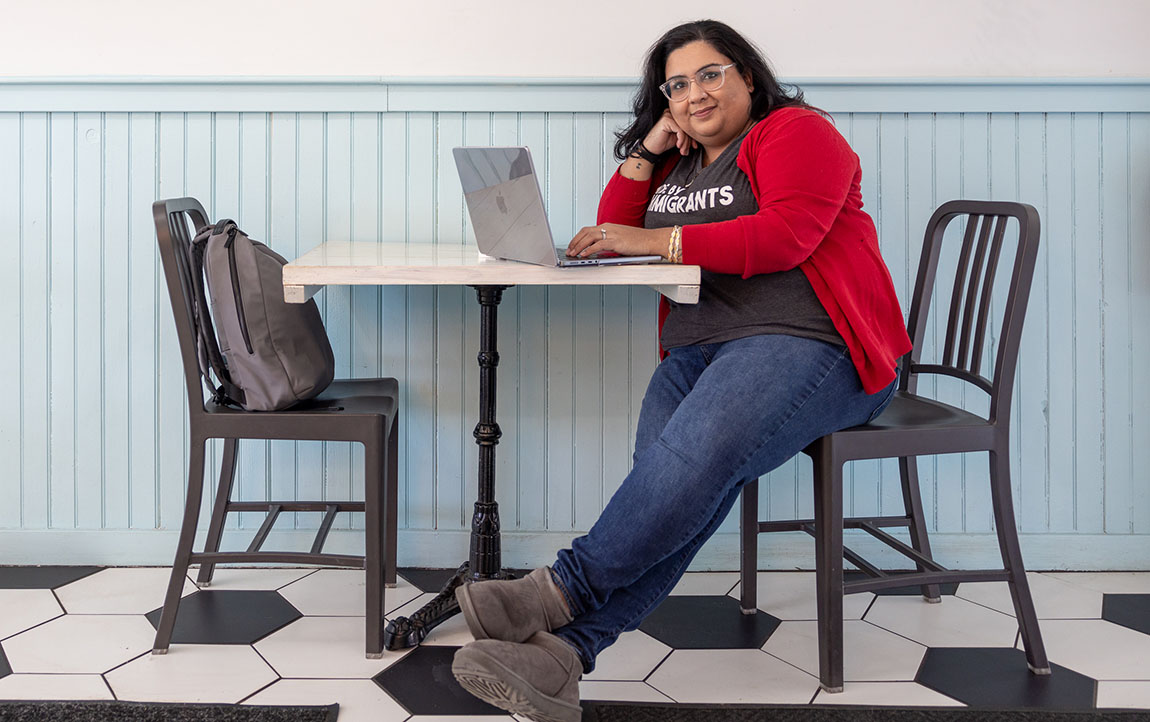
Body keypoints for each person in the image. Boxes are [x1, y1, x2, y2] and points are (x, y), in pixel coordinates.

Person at [450, 19, 912, 722]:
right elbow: (612, 234)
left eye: (710, 74)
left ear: (748, 77)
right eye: (676, 85)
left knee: (688, 468)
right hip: (700, 352)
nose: (694, 93)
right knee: (672, 489)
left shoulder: (794, 133)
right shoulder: (683, 163)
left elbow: (786, 236)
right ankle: (561, 659)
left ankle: (556, 591)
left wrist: (655, 237)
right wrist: (648, 149)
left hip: (819, 345)